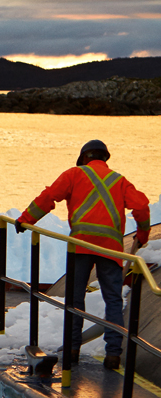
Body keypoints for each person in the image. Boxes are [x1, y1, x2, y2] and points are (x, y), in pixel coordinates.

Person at [16, 140, 150, 371]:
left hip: (80, 245)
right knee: (113, 300)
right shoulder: (119, 181)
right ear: (105, 158)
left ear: (83, 158)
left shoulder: (74, 174)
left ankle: (72, 349)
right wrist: (143, 234)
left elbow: (49, 197)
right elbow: (141, 207)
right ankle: (113, 356)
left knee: (75, 300)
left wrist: (25, 219)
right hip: (110, 249)